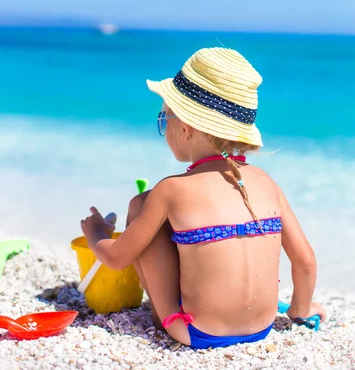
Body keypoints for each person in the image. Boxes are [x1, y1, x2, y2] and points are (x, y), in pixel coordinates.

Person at [81, 47, 326, 348]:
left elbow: (116, 258)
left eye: (164, 118)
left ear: (184, 127)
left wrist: (96, 233)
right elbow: (305, 262)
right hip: (262, 328)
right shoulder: (266, 182)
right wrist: (300, 310)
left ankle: (171, 313)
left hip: (198, 333)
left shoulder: (170, 189)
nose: (163, 125)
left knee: (141, 205)